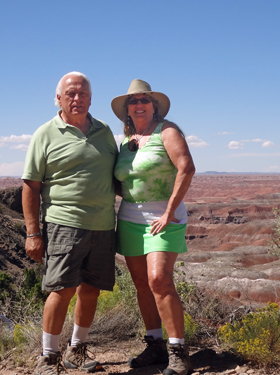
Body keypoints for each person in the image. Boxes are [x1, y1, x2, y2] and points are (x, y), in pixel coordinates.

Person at [22, 72, 117, 375]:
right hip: (63, 223)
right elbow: (30, 186)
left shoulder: (104, 132)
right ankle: (47, 357)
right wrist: (33, 233)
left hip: (103, 225)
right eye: (71, 93)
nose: (78, 99)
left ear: (91, 98)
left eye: (83, 94)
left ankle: (76, 351)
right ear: (59, 98)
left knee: (90, 289)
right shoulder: (45, 133)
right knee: (62, 289)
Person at [111, 79, 196, 375]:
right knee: (142, 285)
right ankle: (155, 344)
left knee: (159, 279)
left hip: (165, 218)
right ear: (127, 110)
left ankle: (178, 351)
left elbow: (186, 167)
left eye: (144, 100)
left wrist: (169, 210)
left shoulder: (167, 132)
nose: (138, 105)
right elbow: (122, 181)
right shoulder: (126, 141)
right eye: (133, 101)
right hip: (131, 219)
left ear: (154, 106)